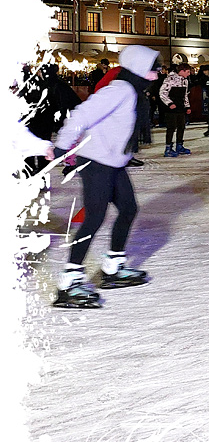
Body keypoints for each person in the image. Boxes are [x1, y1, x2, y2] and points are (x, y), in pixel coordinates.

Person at [51, 45, 161, 308]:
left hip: (113, 162)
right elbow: (82, 114)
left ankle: (113, 266)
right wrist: (61, 146)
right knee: (94, 218)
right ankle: (70, 279)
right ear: (139, 69)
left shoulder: (133, 92)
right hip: (97, 161)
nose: (158, 74)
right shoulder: (118, 90)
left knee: (128, 208)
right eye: (154, 68)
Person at [159, 62, 192, 157]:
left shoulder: (185, 81)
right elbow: (162, 93)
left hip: (180, 108)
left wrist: (187, 106)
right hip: (171, 109)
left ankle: (179, 145)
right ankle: (168, 148)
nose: (189, 74)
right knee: (171, 127)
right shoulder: (170, 79)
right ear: (182, 71)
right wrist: (169, 103)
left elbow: (185, 95)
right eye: (188, 72)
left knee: (181, 127)